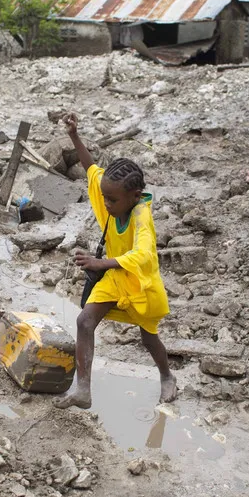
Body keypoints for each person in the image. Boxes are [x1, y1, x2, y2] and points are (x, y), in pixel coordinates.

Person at [54, 112, 176, 409]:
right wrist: (74, 135)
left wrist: (101, 263)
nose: (106, 204)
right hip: (115, 279)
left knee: (148, 339)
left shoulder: (141, 215)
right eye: (104, 198)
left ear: (135, 195)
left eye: (112, 200)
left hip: (141, 284)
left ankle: (167, 376)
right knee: (85, 321)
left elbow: (145, 254)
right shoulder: (111, 194)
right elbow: (91, 169)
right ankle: (83, 390)